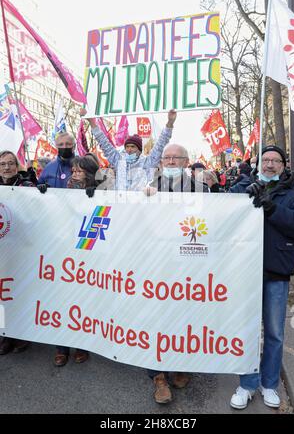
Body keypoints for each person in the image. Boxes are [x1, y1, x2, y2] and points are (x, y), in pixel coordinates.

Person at [230, 145, 294, 410]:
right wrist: (242, 197)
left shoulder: (293, 191)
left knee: (274, 333)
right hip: (245, 271)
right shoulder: (244, 184)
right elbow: (222, 209)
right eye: (265, 160)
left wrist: (271, 208)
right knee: (245, 330)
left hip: (275, 270)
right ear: (258, 164)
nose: (269, 164)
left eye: (275, 160)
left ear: (283, 165)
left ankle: (269, 383)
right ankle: (247, 384)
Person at [144, 144, 208, 404]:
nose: (170, 161)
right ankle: (158, 376)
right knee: (156, 318)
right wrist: (142, 200)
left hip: (187, 264)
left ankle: (182, 364)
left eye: (175, 158)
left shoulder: (202, 190)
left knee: (185, 316)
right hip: (157, 264)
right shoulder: (149, 187)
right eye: (166, 157)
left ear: (186, 161)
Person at [50, 156, 99, 366]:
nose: (75, 175)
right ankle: (62, 347)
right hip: (65, 252)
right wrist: (43, 191)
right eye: (74, 171)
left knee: (84, 301)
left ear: (89, 173)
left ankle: (82, 346)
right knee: (63, 300)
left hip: (87, 254)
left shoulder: (101, 192)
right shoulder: (63, 189)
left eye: (80, 172)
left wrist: (95, 198)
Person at [82, 108, 177, 191]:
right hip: (120, 204)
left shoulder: (147, 162)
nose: (129, 149)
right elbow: (104, 143)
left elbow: (160, 145)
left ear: (139, 150)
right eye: (127, 147)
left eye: (133, 147)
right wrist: (92, 122)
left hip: (139, 206)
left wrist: (170, 123)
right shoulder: (118, 160)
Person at [0, 151, 32, 355]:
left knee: (18, 293)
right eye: (2, 163)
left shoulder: (26, 186)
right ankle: (4, 335)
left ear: (17, 165)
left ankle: (19, 334)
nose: (6, 167)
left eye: (11, 163)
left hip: (20, 248)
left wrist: (40, 192)